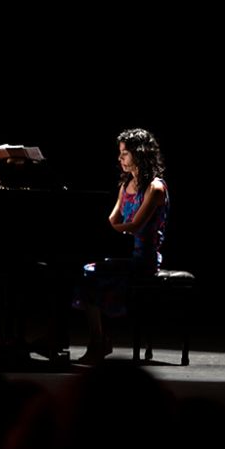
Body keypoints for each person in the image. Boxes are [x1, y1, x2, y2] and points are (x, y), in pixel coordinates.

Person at [76, 128, 168, 364]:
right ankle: (99, 339)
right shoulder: (126, 185)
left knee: (91, 274)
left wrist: (111, 230)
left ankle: (99, 341)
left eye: (125, 153)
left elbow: (136, 225)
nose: (120, 159)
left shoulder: (155, 188)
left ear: (140, 154)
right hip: (126, 256)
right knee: (86, 272)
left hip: (144, 260)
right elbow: (112, 220)